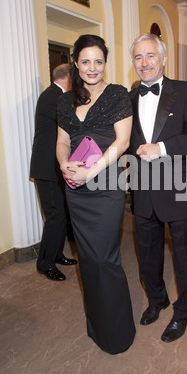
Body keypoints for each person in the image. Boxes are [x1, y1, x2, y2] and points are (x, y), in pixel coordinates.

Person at [129, 33, 187, 343]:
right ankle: (157, 299)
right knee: (147, 254)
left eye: (150, 55)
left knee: (184, 256)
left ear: (164, 59)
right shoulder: (128, 97)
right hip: (142, 189)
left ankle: (183, 311)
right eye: (138, 57)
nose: (144, 62)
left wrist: (161, 147)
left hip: (177, 188)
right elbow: (122, 142)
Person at [56, 34, 135, 354]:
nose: (92, 68)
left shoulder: (117, 94)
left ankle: (117, 332)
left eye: (98, 61)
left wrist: (93, 170)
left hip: (105, 185)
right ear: (75, 63)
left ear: (106, 63)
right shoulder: (64, 100)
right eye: (85, 61)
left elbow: (123, 142)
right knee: (88, 260)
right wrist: (64, 165)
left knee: (105, 259)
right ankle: (98, 326)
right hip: (76, 188)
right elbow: (62, 141)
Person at [30, 64, 77, 282]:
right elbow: (71, 125)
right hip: (46, 169)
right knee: (55, 217)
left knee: (60, 216)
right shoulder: (52, 97)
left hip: (54, 169)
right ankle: (45, 263)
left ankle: (57, 255)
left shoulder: (57, 97)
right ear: (68, 78)